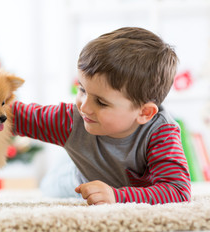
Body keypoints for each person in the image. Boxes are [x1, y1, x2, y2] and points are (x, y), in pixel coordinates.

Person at [12, 27, 191, 205]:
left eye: (101, 102)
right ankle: (70, 157)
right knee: (48, 188)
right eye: (82, 89)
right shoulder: (71, 120)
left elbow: (178, 191)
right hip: (75, 179)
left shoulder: (161, 132)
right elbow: (12, 115)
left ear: (144, 113)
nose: (85, 107)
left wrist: (117, 196)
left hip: (104, 179)